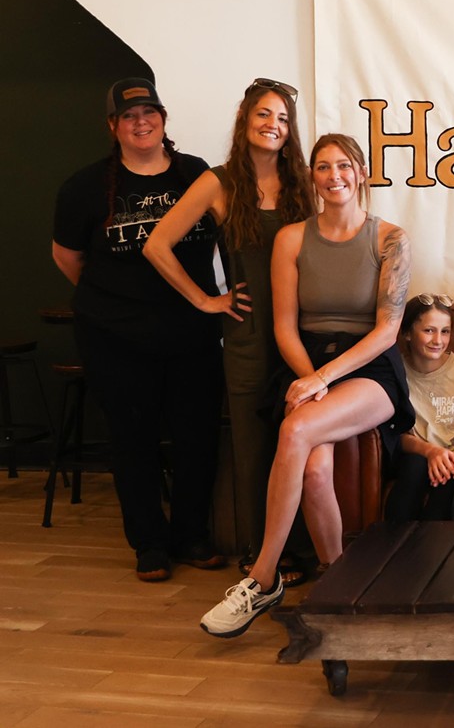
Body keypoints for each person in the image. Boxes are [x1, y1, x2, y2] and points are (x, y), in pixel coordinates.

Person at [200, 133, 413, 637]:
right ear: (312, 176)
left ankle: (262, 577)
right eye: (323, 167)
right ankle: (339, 585)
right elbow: (284, 327)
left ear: (361, 172)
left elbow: (386, 331)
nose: (334, 175)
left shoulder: (391, 239)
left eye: (344, 165)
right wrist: (309, 377)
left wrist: (323, 378)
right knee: (316, 469)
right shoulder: (291, 238)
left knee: (295, 434)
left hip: (369, 368)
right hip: (304, 364)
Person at [52, 77, 224, 582]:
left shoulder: (197, 175)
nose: (141, 122)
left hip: (191, 332)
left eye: (150, 112)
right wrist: (116, 299)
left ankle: (191, 535)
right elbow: (67, 258)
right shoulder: (84, 187)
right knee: (133, 440)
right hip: (115, 339)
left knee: (197, 438)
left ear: (164, 119)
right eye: (129, 116)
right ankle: (149, 543)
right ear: (113, 126)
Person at [146, 77, 314, 580]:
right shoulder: (218, 182)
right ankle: (260, 553)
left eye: (283, 119)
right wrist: (205, 300)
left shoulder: (305, 180)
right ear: (245, 120)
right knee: (253, 447)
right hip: (245, 335)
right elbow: (157, 245)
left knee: (299, 440)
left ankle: (301, 550)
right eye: (264, 114)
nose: (273, 125)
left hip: (302, 335)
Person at [384, 293, 454, 521]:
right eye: (429, 330)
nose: (438, 340)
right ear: (407, 333)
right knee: (416, 466)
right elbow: (395, 435)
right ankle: (392, 546)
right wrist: (430, 452)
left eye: (445, 331)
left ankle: (436, 549)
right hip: (413, 455)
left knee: (448, 481)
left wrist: (449, 460)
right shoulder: (395, 373)